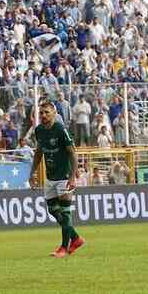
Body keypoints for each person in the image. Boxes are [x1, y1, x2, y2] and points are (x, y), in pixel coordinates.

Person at [29, 102, 85, 258]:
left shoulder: (60, 129)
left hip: (65, 176)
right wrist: (32, 173)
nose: (43, 115)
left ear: (54, 113)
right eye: (41, 113)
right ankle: (76, 238)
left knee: (65, 213)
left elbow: (73, 153)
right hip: (51, 176)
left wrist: (73, 176)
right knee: (52, 209)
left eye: (46, 112)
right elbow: (39, 152)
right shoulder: (39, 130)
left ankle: (63, 248)